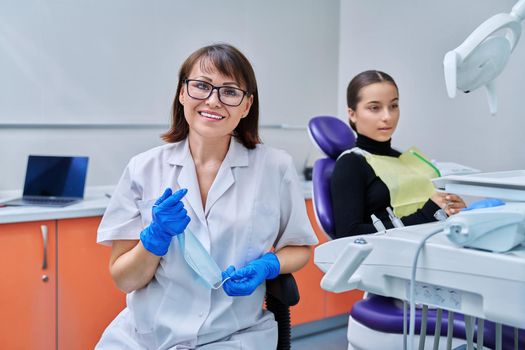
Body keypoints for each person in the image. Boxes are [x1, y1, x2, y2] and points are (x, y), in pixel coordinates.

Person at [96, 43, 318, 349]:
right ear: (183, 93)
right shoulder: (143, 168)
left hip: (232, 336)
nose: (213, 101)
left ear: (246, 105)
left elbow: (300, 247)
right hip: (145, 336)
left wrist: (268, 266)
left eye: (229, 91)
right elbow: (124, 280)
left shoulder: (275, 167)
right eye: (201, 86)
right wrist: (154, 239)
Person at [331, 70, 466, 238]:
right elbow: (348, 234)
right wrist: (430, 212)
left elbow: (434, 205)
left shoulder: (406, 159)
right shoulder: (351, 164)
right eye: (375, 108)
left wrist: (451, 208)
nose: (387, 116)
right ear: (352, 114)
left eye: (393, 106)